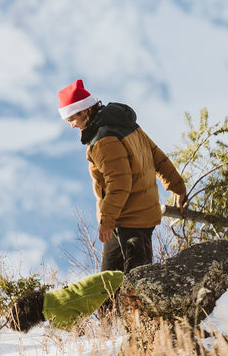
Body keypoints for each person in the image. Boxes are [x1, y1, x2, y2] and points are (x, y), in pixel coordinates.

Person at [58, 78, 187, 273]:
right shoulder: (124, 124)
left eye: (72, 120)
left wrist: (107, 220)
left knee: (134, 283)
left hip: (129, 220)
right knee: (110, 285)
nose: (72, 126)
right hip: (131, 217)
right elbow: (157, 157)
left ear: (84, 111)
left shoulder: (103, 140)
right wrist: (178, 187)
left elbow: (119, 182)